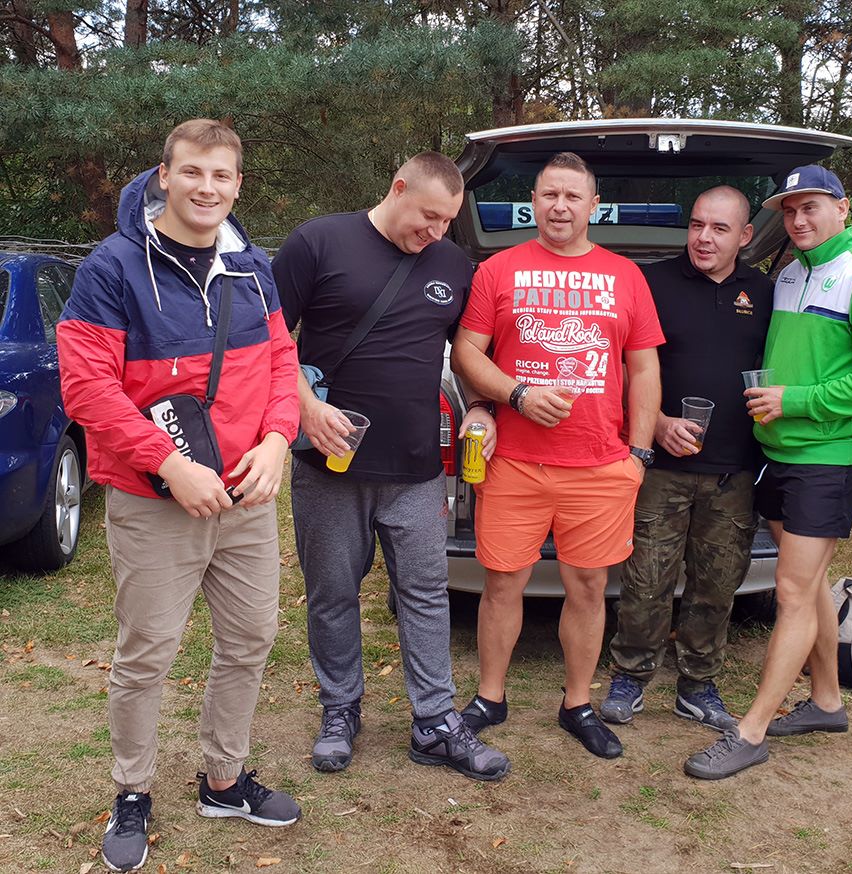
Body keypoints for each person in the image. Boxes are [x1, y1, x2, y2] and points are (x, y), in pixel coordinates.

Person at [58, 119, 302, 873]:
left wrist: (277, 439)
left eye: (222, 175)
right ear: (163, 175)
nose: (207, 188)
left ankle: (223, 779)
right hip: (155, 500)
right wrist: (169, 464)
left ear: (238, 185)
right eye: (192, 171)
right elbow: (87, 388)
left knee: (250, 640)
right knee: (147, 654)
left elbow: (282, 360)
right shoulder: (112, 268)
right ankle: (132, 790)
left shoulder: (251, 265)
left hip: (245, 497)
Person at [272, 153, 510, 783]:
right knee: (332, 595)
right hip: (329, 463)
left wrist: (481, 407)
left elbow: (468, 354)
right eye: (429, 216)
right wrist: (306, 407)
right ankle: (340, 710)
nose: (436, 231)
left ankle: (434, 721)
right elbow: (266, 343)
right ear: (397, 188)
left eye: (448, 221)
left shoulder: (452, 265)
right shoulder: (317, 242)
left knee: (426, 594)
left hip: (417, 467)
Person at [683, 165, 852, 780]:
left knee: (790, 591)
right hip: (777, 453)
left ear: (843, 208)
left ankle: (751, 730)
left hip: (827, 459)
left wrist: (796, 400)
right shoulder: (787, 275)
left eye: (811, 207)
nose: (798, 219)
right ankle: (828, 701)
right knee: (808, 587)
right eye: (789, 210)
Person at [450, 152, 665, 759]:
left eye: (573, 196)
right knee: (502, 584)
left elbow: (644, 369)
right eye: (549, 195)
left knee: (589, 587)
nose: (560, 207)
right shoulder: (499, 269)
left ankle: (577, 704)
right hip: (514, 461)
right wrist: (514, 395)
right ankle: (490, 697)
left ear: (594, 205)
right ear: (533, 202)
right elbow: (467, 352)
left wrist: (639, 454)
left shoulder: (626, 276)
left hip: (600, 466)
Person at [599, 186, 773, 732]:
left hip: (733, 470)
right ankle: (630, 675)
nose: (703, 238)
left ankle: (698, 684)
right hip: (662, 466)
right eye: (697, 225)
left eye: (719, 229)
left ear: (745, 236)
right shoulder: (651, 283)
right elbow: (618, 366)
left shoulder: (764, 292)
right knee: (645, 580)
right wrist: (655, 424)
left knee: (716, 584)